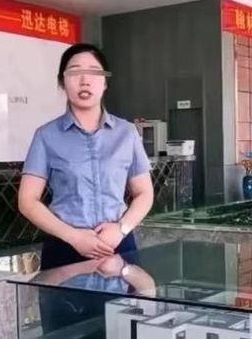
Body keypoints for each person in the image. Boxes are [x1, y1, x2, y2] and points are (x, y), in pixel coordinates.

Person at [18, 43, 154, 271]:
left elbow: (144, 193)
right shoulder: (46, 136)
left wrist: (121, 229)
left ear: (105, 82)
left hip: (118, 244)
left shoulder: (126, 133)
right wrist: (74, 237)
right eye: (74, 72)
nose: (84, 80)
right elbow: (27, 200)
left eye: (93, 72)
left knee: (126, 297)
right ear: (62, 82)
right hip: (64, 247)